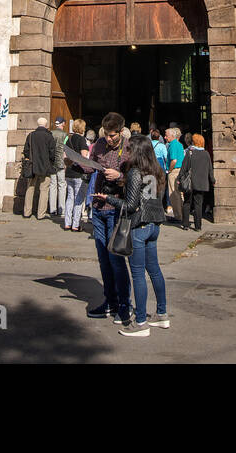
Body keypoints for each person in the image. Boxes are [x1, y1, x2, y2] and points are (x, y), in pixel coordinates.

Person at [100, 136, 168, 336]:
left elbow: (130, 206)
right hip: (154, 225)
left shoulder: (135, 173)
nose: (127, 153)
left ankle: (140, 323)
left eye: (129, 149)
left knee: (138, 274)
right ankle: (162, 314)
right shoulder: (156, 171)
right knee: (154, 271)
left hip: (139, 226)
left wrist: (108, 198)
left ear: (137, 151)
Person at [85, 112, 132, 322]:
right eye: (106, 135)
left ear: (121, 131)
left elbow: (139, 176)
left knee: (116, 260)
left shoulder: (130, 148)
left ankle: (125, 304)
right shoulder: (99, 145)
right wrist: (74, 163)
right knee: (103, 259)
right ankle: (110, 301)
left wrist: (119, 175)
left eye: (113, 135)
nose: (109, 139)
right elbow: (90, 165)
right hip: (98, 206)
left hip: (115, 208)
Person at [22, 116, 58, 219]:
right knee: (44, 190)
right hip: (45, 167)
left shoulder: (31, 135)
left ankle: (27, 212)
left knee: (30, 188)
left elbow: (26, 151)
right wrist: (51, 162)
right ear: (46, 125)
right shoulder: (49, 136)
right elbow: (52, 153)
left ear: (37, 124)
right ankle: (41, 214)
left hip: (32, 166)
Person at [178, 134, 213, 231]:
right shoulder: (206, 154)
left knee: (187, 202)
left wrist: (179, 178)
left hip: (190, 182)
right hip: (201, 182)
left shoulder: (190, 153)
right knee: (198, 204)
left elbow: (184, 168)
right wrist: (212, 180)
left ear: (194, 142)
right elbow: (210, 169)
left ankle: (185, 224)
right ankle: (198, 226)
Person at [62, 120, 89, 232]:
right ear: (82, 128)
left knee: (70, 198)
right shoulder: (82, 139)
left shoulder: (69, 139)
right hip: (78, 172)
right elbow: (83, 156)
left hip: (69, 172)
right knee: (78, 199)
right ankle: (75, 224)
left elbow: (64, 156)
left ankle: (67, 223)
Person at [165, 127, 185, 221]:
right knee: (180, 194)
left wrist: (169, 170)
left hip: (174, 171)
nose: (165, 137)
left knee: (173, 194)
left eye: (166, 135)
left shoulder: (172, 145)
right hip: (180, 170)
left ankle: (178, 216)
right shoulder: (180, 144)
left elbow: (174, 160)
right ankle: (182, 214)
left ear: (172, 136)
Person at [49, 118, 67, 218]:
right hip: (61, 162)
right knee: (62, 185)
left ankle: (52, 209)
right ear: (63, 124)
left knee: (52, 185)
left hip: (52, 162)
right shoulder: (65, 135)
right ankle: (61, 209)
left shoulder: (50, 133)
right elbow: (65, 149)